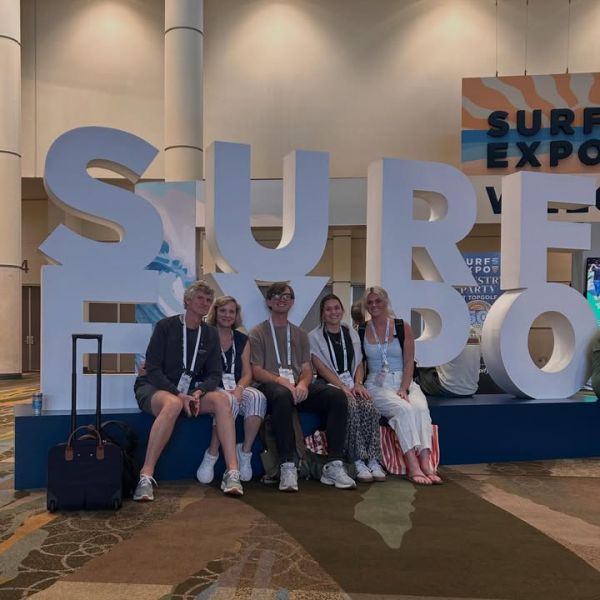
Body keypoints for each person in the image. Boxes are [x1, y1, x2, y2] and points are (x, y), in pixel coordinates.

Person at [133, 280, 243, 500]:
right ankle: (145, 476)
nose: (205, 303)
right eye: (200, 298)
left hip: (189, 391)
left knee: (222, 400)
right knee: (173, 404)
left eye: (208, 300)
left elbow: (214, 374)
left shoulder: (209, 333)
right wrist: (178, 394)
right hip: (155, 387)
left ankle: (232, 472)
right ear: (187, 302)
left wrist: (199, 391)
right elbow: (152, 369)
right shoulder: (166, 326)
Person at [249, 282, 356, 492]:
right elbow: (257, 371)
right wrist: (281, 381)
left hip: (297, 388)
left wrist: (304, 384)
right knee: (282, 395)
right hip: (271, 388)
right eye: (276, 296)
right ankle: (288, 465)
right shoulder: (258, 332)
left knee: (336, 396)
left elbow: (307, 368)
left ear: (292, 302)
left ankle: (334, 463)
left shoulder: (299, 334)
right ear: (268, 302)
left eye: (287, 296)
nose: (282, 300)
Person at [360, 285, 441, 485]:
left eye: (378, 301)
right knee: (404, 409)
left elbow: (409, 361)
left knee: (420, 408)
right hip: (377, 384)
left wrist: (404, 388)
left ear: (386, 302)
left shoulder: (401, 326)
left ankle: (426, 461)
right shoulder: (361, 330)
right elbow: (359, 363)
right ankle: (412, 465)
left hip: (404, 380)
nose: (374, 305)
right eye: (370, 302)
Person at [308, 294, 386, 483]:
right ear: (322, 313)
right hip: (329, 385)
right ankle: (356, 460)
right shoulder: (314, 336)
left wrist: (358, 383)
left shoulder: (350, 332)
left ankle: (373, 459)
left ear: (342, 310)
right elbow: (321, 367)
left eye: (336, 308)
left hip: (351, 382)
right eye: (328, 309)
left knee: (368, 405)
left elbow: (359, 362)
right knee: (349, 405)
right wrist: (342, 386)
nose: (333, 312)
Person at [196, 296, 267, 483]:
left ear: (236, 315)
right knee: (226, 402)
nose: (227, 315)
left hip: (236, 386)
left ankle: (244, 452)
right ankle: (212, 454)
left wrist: (240, 388)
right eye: (223, 311)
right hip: (211, 388)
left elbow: (247, 373)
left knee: (258, 398)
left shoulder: (242, 339)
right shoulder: (204, 335)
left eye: (231, 312)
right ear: (215, 312)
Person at [418, 329, 481, 397]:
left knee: (421, 368)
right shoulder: (475, 332)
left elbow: (427, 357)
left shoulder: (444, 332)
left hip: (449, 389)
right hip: (471, 390)